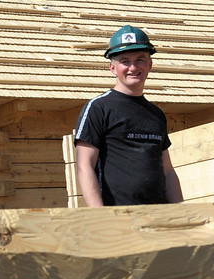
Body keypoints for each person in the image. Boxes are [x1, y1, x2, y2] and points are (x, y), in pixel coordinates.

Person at [74, 25, 184, 207]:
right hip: (118, 219)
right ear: (113, 68)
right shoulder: (98, 108)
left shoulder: (156, 114)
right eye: (125, 61)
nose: (133, 67)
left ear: (149, 65)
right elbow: (84, 166)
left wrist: (181, 212)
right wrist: (100, 216)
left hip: (161, 218)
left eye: (140, 59)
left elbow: (168, 171)